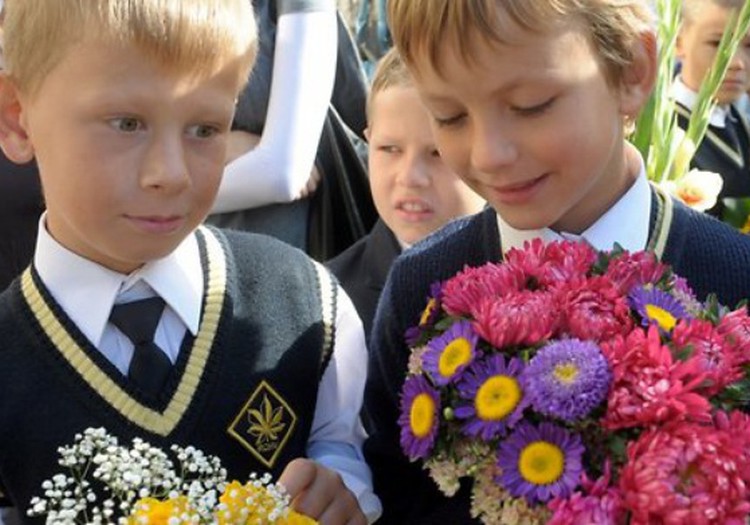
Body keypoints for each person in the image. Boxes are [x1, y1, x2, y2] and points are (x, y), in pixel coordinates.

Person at [363, 0, 750, 522]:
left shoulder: (735, 280)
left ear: (631, 70)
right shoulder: (420, 286)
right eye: (450, 116)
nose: (487, 154)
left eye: (530, 104)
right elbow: (394, 489)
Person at [0, 1, 381, 523]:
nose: (171, 173)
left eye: (205, 129)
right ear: (17, 120)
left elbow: (342, 446)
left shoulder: (310, 308)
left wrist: (343, 491)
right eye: (127, 123)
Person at [327, 48, 485, 341]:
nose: (410, 177)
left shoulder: (538, 278)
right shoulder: (328, 302)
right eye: (389, 149)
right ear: (368, 141)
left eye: (437, 152)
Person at [207, 0, 377, 261]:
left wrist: (153, 201)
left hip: (273, 254)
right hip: (171, 244)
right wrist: (222, 145)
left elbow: (284, 173)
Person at [673, 0, 750, 217]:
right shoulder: (662, 132)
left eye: (749, 46)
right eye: (717, 43)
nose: (737, 63)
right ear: (678, 42)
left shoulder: (738, 118)